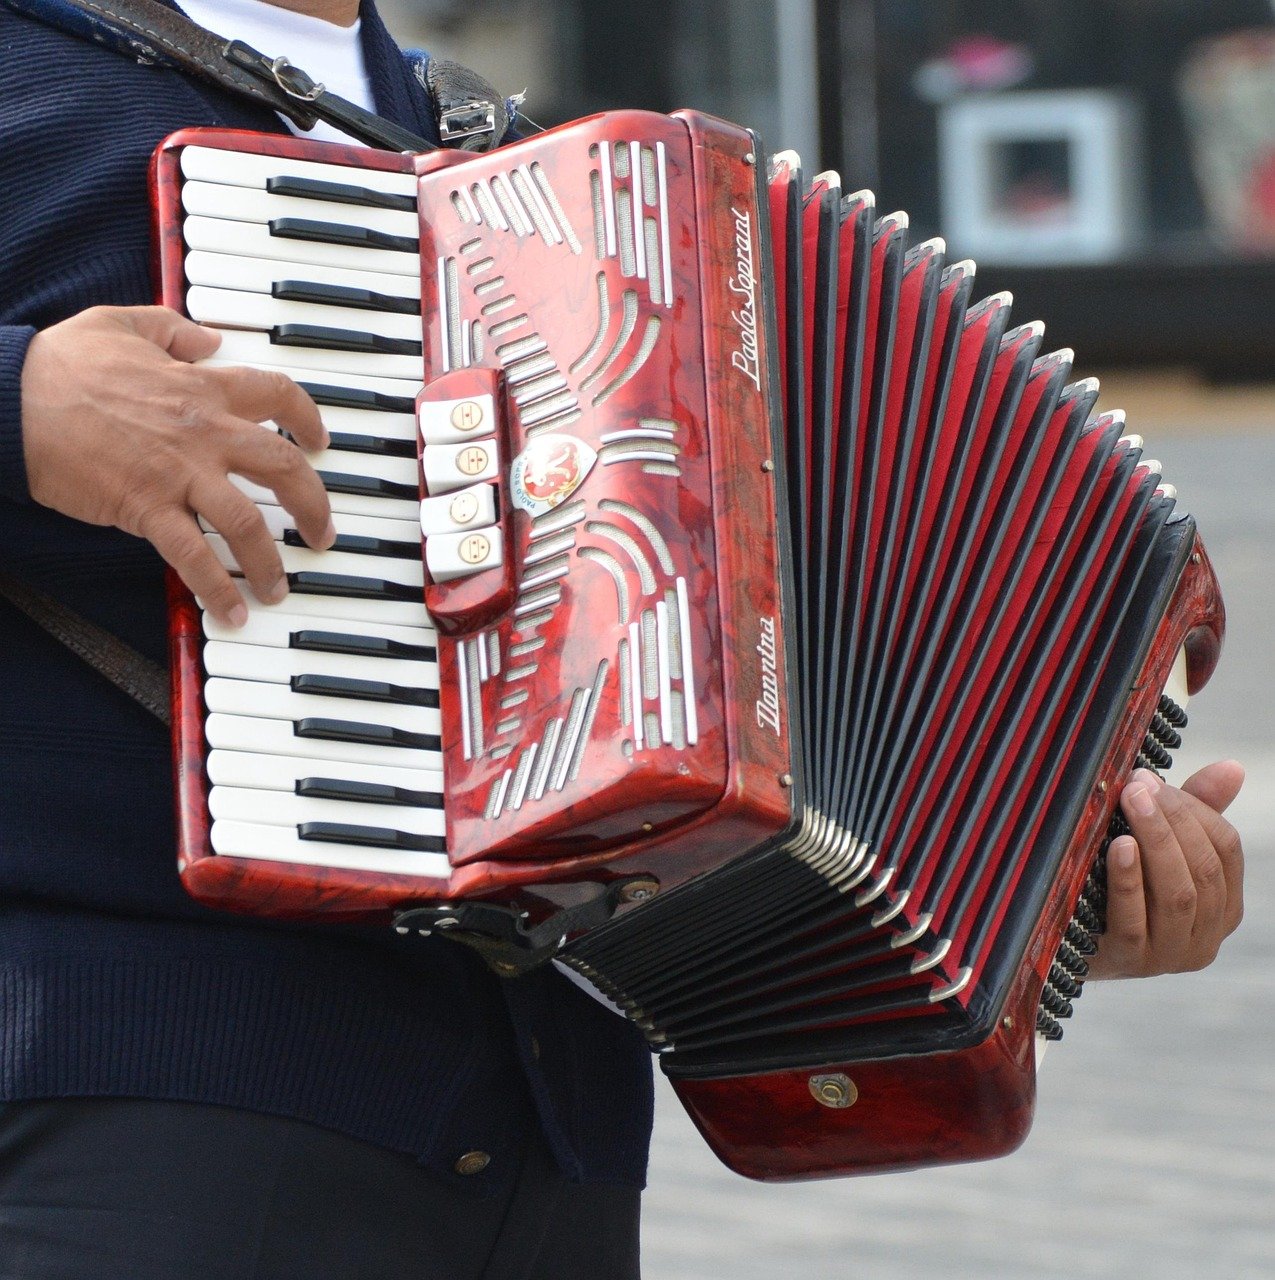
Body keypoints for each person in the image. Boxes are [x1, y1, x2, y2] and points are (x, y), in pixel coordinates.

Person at [0, 0, 1246, 1276]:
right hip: (145, 1113)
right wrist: (23, 411)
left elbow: (713, 714)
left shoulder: (510, 163)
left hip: (546, 1149)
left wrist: (1051, 889)